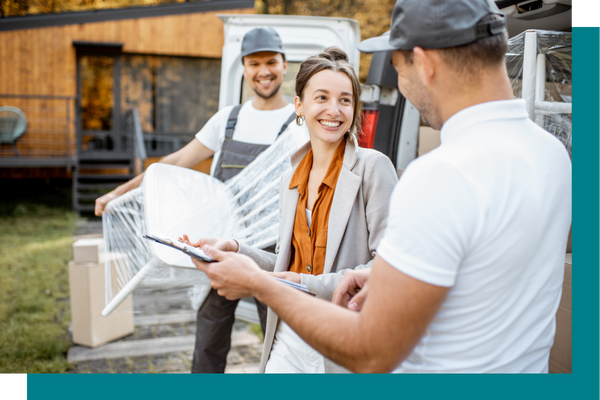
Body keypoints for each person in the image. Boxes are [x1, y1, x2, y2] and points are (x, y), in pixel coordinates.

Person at [191, 0, 572, 373]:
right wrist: (385, 274)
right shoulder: (553, 155)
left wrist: (259, 284)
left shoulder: (439, 175)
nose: (401, 86)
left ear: (423, 63)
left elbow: (372, 352)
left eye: (397, 68)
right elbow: (486, 267)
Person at [95, 26, 308, 373]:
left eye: (271, 62)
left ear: (285, 66)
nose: (263, 71)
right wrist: (119, 191)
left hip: (276, 250)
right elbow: (173, 163)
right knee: (209, 340)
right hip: (222, 246)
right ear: (244, 68)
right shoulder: (228, 120)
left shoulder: (298, 124)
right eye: (254, 63)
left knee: (280, 343)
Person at [184, 47, 398, 373]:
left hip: (343, 340)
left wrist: (297, 283)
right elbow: (285, 266)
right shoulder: (290, 179)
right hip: (289, 335)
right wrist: (238, 250)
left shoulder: (374, 169)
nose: (334, 110)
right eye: (321, 97)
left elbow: (387, 269)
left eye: (344, 100)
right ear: (299, 105)